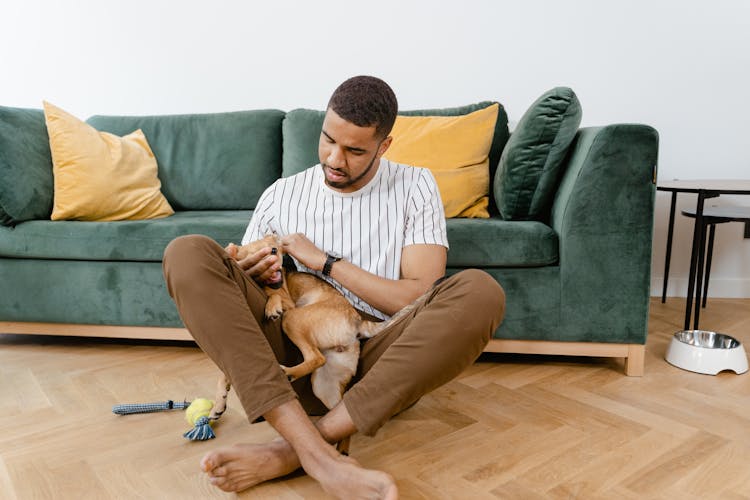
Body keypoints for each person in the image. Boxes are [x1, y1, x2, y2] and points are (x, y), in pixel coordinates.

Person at [163, 75, 505, 499]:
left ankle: (292, 450)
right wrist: (254, 269)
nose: (334, 158)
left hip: (378, 360)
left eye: (354, 150)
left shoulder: (416, 185)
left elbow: (416, 294)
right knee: (187, 251)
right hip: (285, 351)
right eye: (327, 140)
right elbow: (242, 299)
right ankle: (318, 455)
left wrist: (323, 261)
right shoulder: (280, 194)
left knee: (481, 292)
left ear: (384, 146)